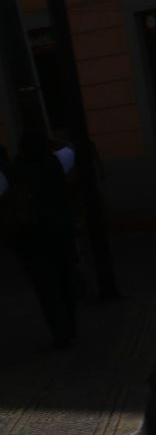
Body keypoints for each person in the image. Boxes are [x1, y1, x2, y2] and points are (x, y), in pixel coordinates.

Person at [1, 129, 79, 348]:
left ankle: (59, 331)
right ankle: (70, 326)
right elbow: (72, 147)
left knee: (46, 288)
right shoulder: (56, 163)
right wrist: (52, 139)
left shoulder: (11, 171)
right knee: (65, 282)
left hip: (30, 238)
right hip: (60, 232)